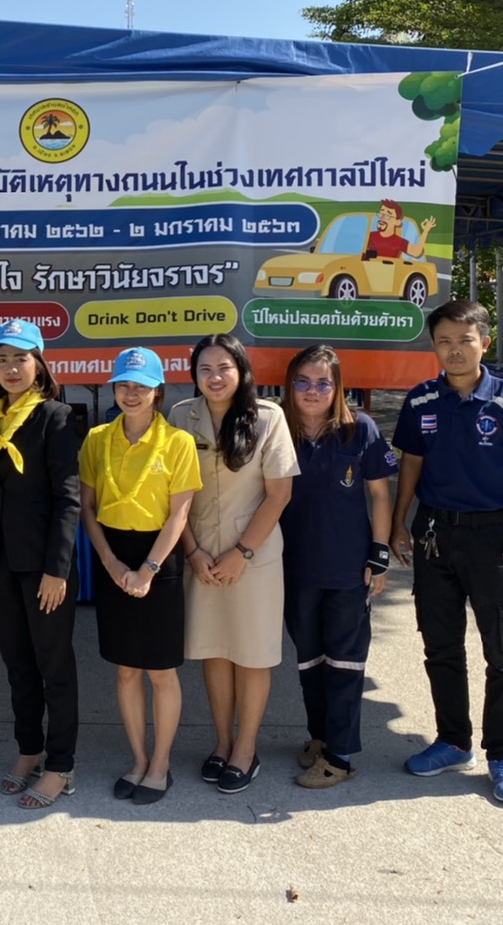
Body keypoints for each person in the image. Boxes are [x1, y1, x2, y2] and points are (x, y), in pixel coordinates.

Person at [391, 300, 503, 805]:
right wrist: (398, 524)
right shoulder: (421, 400)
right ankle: (453, 742)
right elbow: (411, 465)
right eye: (444, 341)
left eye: (465, 340)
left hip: (494, 538)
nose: (454, 350)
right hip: (434, 533)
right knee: (440, 646)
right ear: (433, 347)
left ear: (484, 341)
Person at [169, 334, 297, 794]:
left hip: (253, 559)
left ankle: (246, 748)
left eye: (224, 367)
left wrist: (241, 553)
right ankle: (222, 743)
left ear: (241, 371)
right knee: (215, 651)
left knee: (252, 654)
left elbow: (279, 495)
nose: (214, 377)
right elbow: (172, 496)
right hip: (200, 558)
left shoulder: (269, 417)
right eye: (205, 369)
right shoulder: (180, 416)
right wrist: (192, 553)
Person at [80, 347, 201, 806]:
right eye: (124, 385)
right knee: (126, 669)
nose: (131, 394)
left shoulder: (178, 442)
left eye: (142, 386)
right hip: (113, 553)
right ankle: (137, 758)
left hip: (159, 557)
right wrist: (111, 563)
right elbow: (88, 508)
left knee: (161, 672)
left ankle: (160, 764)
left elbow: (179, 514)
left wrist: (148, 569)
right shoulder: (96, 439)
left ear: (158, 392)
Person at [0, 319, 82, 809]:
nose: (11, 368)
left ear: (39, 364)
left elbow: (68, 498)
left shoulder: (55, 417)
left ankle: (60, 763)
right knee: (18, 664)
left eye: (20, 358)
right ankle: (28, 749)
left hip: (43, 568)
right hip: (0, 563)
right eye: (2, 359)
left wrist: (57, 569)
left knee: (53, 665)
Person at [278, 345, 397, 789]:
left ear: (337, 387)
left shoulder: (359, 429)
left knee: (344, 662)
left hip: (348, 569)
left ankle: (340, 757)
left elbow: (380, 495)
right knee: (309, 661)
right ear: (290, 386)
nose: (312, 391)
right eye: (303, 382)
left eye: (323, 383)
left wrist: (379, 555)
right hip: (294, 567)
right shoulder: (276, 429)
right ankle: (321, 737)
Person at [364, 199, 436, 260]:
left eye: (387, 216)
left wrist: (425, 231)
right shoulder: (369, 236)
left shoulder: (399, 241)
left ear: (397, 222)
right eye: (381, 214)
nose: (382, 218)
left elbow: (416, 252)